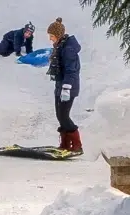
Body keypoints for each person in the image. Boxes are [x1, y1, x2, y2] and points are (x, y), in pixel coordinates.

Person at [45, 18, 82, 152]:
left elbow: (71, 70)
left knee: (64, 116)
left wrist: (66, 88)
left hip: (68, 88)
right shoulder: (60, 47)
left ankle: (77, 145)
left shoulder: (68, 50)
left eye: (52, 36)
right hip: (60, 87)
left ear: (58, 35)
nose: (50, 39)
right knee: (59, 116)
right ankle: (65, 144)